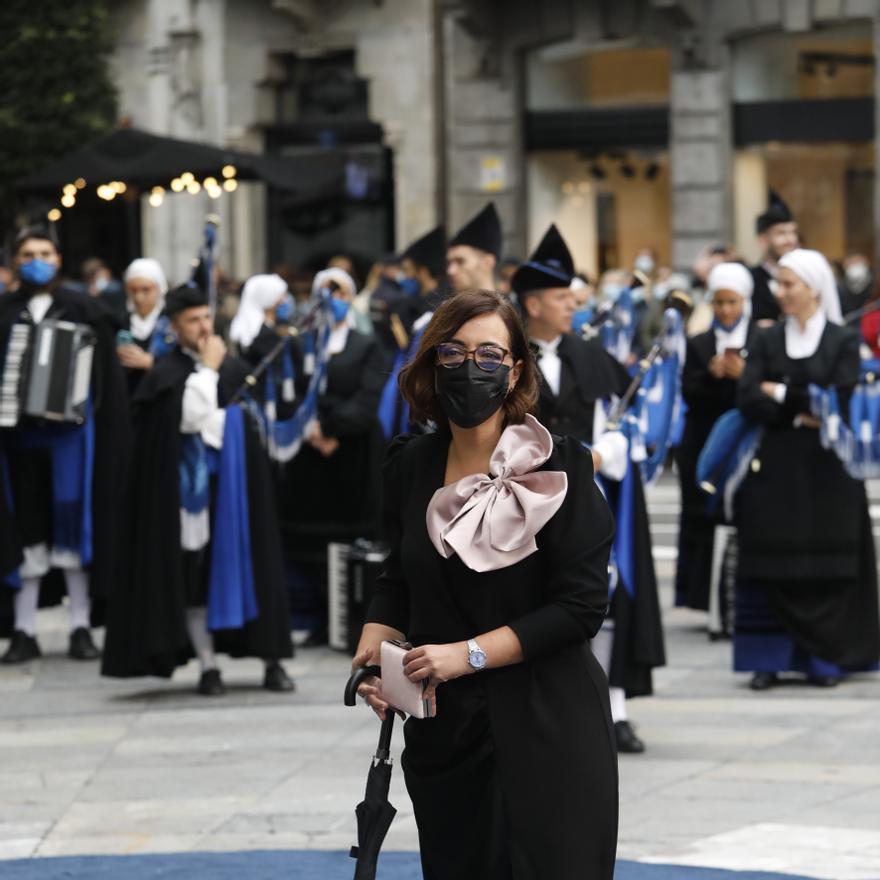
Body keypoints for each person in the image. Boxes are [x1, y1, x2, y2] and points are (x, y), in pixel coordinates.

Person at [354, 289, 618, 879]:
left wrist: (466, 655)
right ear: (431, 363)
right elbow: (398, 576)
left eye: (490, 354)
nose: (471, 367)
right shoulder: (409, 464)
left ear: (516, 368)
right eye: (453, 352)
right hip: (445, 736)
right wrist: (377, 662)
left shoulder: (564, 467)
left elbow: (579, 609)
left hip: (550, 726)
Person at [513, 225, 666, 754]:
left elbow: (619, 422)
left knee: (606, 596)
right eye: (560, 297)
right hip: (526, 502)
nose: (572, 304)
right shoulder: (506, 358)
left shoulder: (591, 354)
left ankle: (614, 705)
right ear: (532, 303)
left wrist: (608, 451)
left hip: (590, 497)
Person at [101, 282, 294, 695]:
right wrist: (207, 374)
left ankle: (271, 661)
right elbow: (190, 417)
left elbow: (249, 420)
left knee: (255, 565)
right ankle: (208, 665)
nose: (204, 326)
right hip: (189, 500)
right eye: (193, 320)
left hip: (238, 493)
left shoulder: (234, 368)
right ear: (174, 326)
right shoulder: (166, 373)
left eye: (207, 317)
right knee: (193, 576)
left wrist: (224, 417)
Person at [734, 248, 880, 689]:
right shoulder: (765, 339)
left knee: (826, 564)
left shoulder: (840, 340)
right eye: (778, 283)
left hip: (828, 470)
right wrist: (801, 405)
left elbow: (841, 400)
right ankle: (769, 659)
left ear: (812, 288)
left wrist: (778, 391)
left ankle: (823, 660)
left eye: (787, 284)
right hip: (776, 467)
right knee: (769, 560)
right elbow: (746, 397)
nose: (779, 292)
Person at [0, 225, 131, 663]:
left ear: (58, 260)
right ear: (16, 260)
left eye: (45, 252)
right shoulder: (5, 311)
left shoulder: (83, 308)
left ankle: (79, 625)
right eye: (28, 253)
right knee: (26, 526)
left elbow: (109, 358)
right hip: (17, 438)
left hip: (70, 436)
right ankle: (23, 628)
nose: (37, 259)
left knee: (74, 526)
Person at [280, 272, 387, 646]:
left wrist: (333, 429)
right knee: (313, 540)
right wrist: (312, 428)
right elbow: (291, 391)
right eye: (325, 291)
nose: (331, 298)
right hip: (312, 455)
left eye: (339, 291)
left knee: (351, 533)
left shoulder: (366, 344)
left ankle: (355, 620)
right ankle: (322, 618)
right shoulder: (300, 345)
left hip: (352, 454)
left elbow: (367, 397)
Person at [674, 262, 755, 612]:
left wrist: (744, 375)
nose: (725, 310)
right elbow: (688, 391)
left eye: (731, 302)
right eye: (719, 303)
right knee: (700, 515)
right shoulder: (699, 343)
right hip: (702, 440)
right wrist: (711, 375)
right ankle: (701, 596)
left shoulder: (760, 339)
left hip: (746, 439)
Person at [228, 273, 296, 420]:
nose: (286, 301)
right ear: (270, 301)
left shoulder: (254, 329)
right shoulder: (265, 335)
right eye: (282, 296)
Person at [116, 258, 172, 396]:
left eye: (146, 290)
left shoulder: (170, 323)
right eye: (133, 290)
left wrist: (150, 362)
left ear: (159, 288)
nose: (139, 297)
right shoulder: (120, 322)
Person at [750, 192, 799, 324]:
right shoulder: (750, 280)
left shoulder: (805, 280)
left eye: (793, 232)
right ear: (763, 240)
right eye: (781, 233)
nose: (790, 240)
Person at [446, 202, 502, 293]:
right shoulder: (445, 307)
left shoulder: (510, 307)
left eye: (460, 261)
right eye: (449, 263)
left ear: (488, 262)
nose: (450, 271)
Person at [838, 253, 873, 317]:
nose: (854, 266)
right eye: (851, 263)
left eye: (857, 262)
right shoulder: (840, 288)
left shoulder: (875, 285)